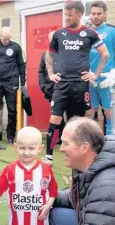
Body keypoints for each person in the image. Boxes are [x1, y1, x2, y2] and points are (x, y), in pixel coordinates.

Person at [43, 117, 115, 225]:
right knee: (55, 213)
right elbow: (77, 197)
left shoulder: (106, 184)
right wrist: (48, 198)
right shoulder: (89, 164)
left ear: (84, 148)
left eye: (66, 143)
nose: (61, 148)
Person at [43, 0, 109, 165]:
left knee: (77, 122)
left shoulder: (90, 34)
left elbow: (105, 54)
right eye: (65, 14)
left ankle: (78, 156)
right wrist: (51, 73)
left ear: (79, 15)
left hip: (80, 85)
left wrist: (95, 74)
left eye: (70, 15)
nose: (66, 18)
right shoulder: (59, 34)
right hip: (62, 84)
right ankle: (49, 154)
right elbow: (49, 55)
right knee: (55, 118)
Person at [0, 27, 26, 144]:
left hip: (12, 81)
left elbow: (21, 64)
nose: (7, 41)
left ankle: (10, 136)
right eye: (5, 39)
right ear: (0, 35)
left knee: (12, 109)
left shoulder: (16, 46)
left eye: (8, 39)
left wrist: (23, 83)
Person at [87, 1, 115, 135]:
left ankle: (111, 143)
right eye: (93, 13)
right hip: (90, 79)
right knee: (90, 112)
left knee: (109, 113)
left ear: (104, 14)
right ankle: (92, 143)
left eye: (99, 13)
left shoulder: (112, 31)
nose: (96, 16)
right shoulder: (85, 32)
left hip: (107, 79)